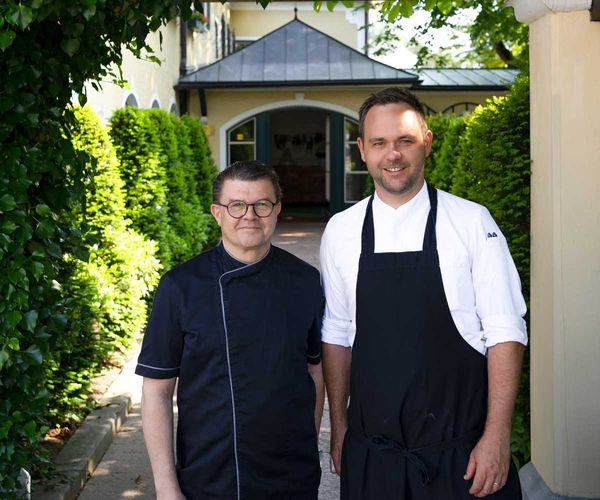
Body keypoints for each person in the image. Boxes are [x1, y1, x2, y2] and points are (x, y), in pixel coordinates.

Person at [320, 88, 527, 499]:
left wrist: (497, 437)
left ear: (427, 143)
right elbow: (338, 334)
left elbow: (505, 332)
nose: (392, 155)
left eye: (405, 141)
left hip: (462, 459)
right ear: (362, 149)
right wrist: (340, 429)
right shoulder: (341, 231)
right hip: (374, 460)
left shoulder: (471, 223)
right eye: (379, 143)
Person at [136, 160, 324, 500]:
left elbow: (315, 370)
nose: (249, 215)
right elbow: (156, 393)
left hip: (291, 476)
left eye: (261, 204)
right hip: (210, 474)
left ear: (277, 210)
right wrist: (166, 487)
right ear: (217, 212)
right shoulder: (180, 286)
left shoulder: (306, 281)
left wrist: (306, 445)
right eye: (236, 205)